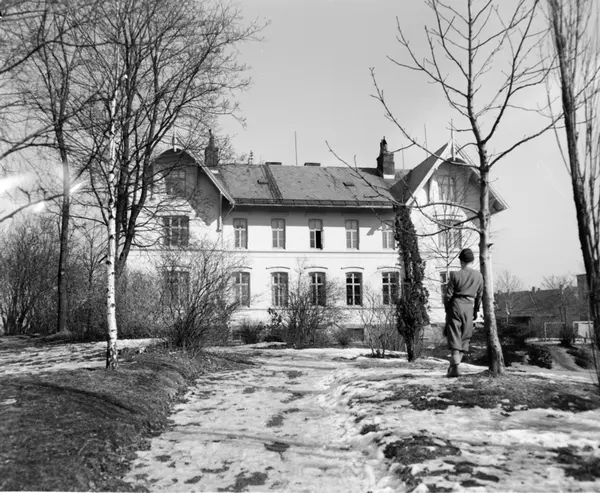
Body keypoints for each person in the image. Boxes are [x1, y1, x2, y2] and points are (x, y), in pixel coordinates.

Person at [444, 248, 483, 377]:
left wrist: (447, 309)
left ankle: (454, 367)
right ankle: (455, 366)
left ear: (461, 261)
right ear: (472, 261)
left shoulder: (455, 275)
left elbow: (448, 296)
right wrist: (476, 310)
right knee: (466, 337)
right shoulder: (479, 276)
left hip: (455, 306)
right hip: (469, 307)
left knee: (454, 335)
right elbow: (479, 295)